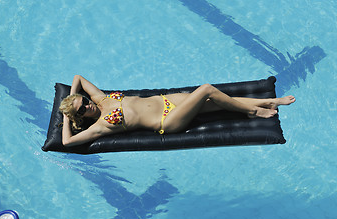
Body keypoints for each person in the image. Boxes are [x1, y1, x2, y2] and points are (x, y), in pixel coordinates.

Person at [60, 75, 295, 147]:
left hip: (168, 101)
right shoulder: (100, 126)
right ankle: (254, 112)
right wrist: (66, 117)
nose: (87, 105)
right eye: (82, 110)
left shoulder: (100, 99)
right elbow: (67, 142)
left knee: (219, 100)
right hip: (168, 121)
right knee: (206, 90)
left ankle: (269, 101)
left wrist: (70, 98)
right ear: (79, 117)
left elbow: (78, 78)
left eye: (83, 101)